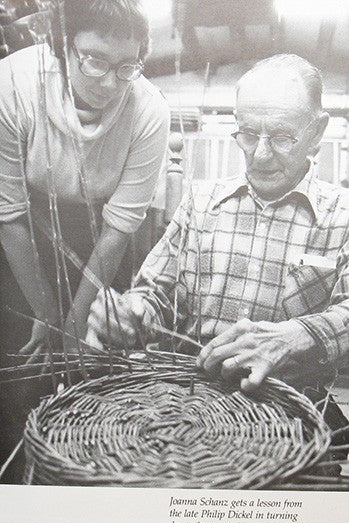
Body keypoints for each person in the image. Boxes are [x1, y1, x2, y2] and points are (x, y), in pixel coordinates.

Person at [87, 53, 349, 400]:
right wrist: (131, 314)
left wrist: (297, 336)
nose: (260, 155)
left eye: (283, 137)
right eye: (249, 134)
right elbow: (157, 295)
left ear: (317, 131)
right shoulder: (200, 203)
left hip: (293, 403)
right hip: (191, 399)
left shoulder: (342, 217)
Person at [0, 0, 170, 359]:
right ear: (62, 46)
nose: (110, 83)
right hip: (23, 229)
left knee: (94, 356)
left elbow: (119, 228)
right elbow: (9, 214)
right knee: (22, 359)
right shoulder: (12, 84)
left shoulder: (150, 109)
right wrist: (46, 312)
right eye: (94, 60)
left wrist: (76, 326)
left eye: (126, 66)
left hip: (100, 239)